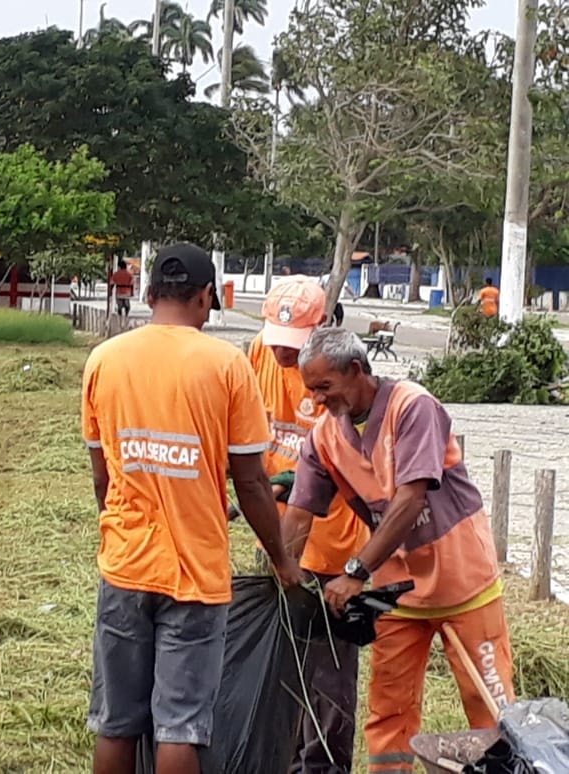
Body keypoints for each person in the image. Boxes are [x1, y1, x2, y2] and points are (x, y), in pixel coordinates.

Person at [82, 242, 304, 774]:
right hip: (196, 576)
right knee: (180, 726)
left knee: (116, 723)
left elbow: (102, 475)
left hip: (125, 567)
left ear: (149, 293)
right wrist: (281, 559)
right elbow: (251, 483)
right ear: (207, 297)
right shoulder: (227, 365)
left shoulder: (104, 360)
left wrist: (123, 527)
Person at [282, 327, 516, 774]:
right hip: (399, 592)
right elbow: (299, 512)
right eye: (310, 390)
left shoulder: (413, 407)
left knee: (490, 706)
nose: (316, 400)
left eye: (324, 387)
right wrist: (283, 572)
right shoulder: (325, 438)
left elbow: (410, 499)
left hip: (462, 582)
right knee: (389, 711)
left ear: (356, 370)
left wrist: (355, 570)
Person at [247, 277, 369, 774]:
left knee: (329, 674)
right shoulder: (260, 355)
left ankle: (322, 766)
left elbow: (345, 465)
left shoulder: (340, 380)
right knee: (282, 662)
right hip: (280, 539)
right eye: (276, 339)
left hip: (334, 547)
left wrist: (281, 481)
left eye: (291, 344)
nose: (281, 353)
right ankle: (282, 757)